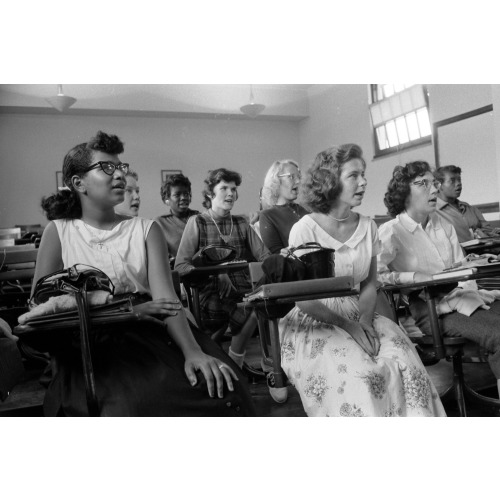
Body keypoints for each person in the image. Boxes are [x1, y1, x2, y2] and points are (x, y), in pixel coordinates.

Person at [33, 131, 256, 416]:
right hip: (87, 345)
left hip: (150, 334)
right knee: (134, 404)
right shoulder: (59, 231)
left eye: (120, 167)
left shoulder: (145, 229)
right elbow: (40, 309)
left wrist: (192, 351)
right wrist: (127, 311)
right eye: (106, 167)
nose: (119, 175)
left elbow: (167, 299)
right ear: (79, 183)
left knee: (226, 385)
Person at [279, 145, 445, 417]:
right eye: (354, 175)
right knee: (362, 376)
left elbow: (369, 283)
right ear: (330, 181)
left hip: (362, 310)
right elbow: (304, 299)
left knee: (406, 365)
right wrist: (349, 327)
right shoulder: (305, 229)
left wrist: (365, 323)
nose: (364, 182)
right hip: (317, 318)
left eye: (363, 174)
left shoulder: (367, 226)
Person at [378, 160, 500, 398]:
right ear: (404, 192)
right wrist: (412, 276)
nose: (433, 189)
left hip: (464, 298)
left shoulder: (443, 225)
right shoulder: (391, 231)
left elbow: (461, 266)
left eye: (433, 182)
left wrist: (468, 294)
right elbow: (376, 277)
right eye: (423, 183)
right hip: (430, 309)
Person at [175, 168, 270, 370]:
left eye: (233, 189)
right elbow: (181, 266)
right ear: (210, 194)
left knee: (261, 302)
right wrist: (218, 273)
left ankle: (235, 362)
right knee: (244, 305)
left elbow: (266, 258)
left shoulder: (242, 223)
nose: (230, 193)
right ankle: (229, 362)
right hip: (209, 293)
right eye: (224, 188)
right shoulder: (198, 222)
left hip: (241, 291)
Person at [435, 164, 500, 242]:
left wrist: (488, 233)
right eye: (452, 181)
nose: (458, 183)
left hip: (485, 251)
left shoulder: (469, 208)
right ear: (438, 185)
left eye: (459, 179)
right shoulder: (434, 212)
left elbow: (488, 231)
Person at [259, 160, 309, 253]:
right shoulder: (268, 216)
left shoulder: (306, 210)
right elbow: (277, 255)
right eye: (291, 177)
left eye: (299, 177)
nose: (298, 181)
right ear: (276, 181)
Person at [155, 174, 199, 264]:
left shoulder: (200, 218)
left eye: (186, 194)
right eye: (177, 195)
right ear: (166, 199)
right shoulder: (160, 223)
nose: (183, 198)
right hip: (177, 273)